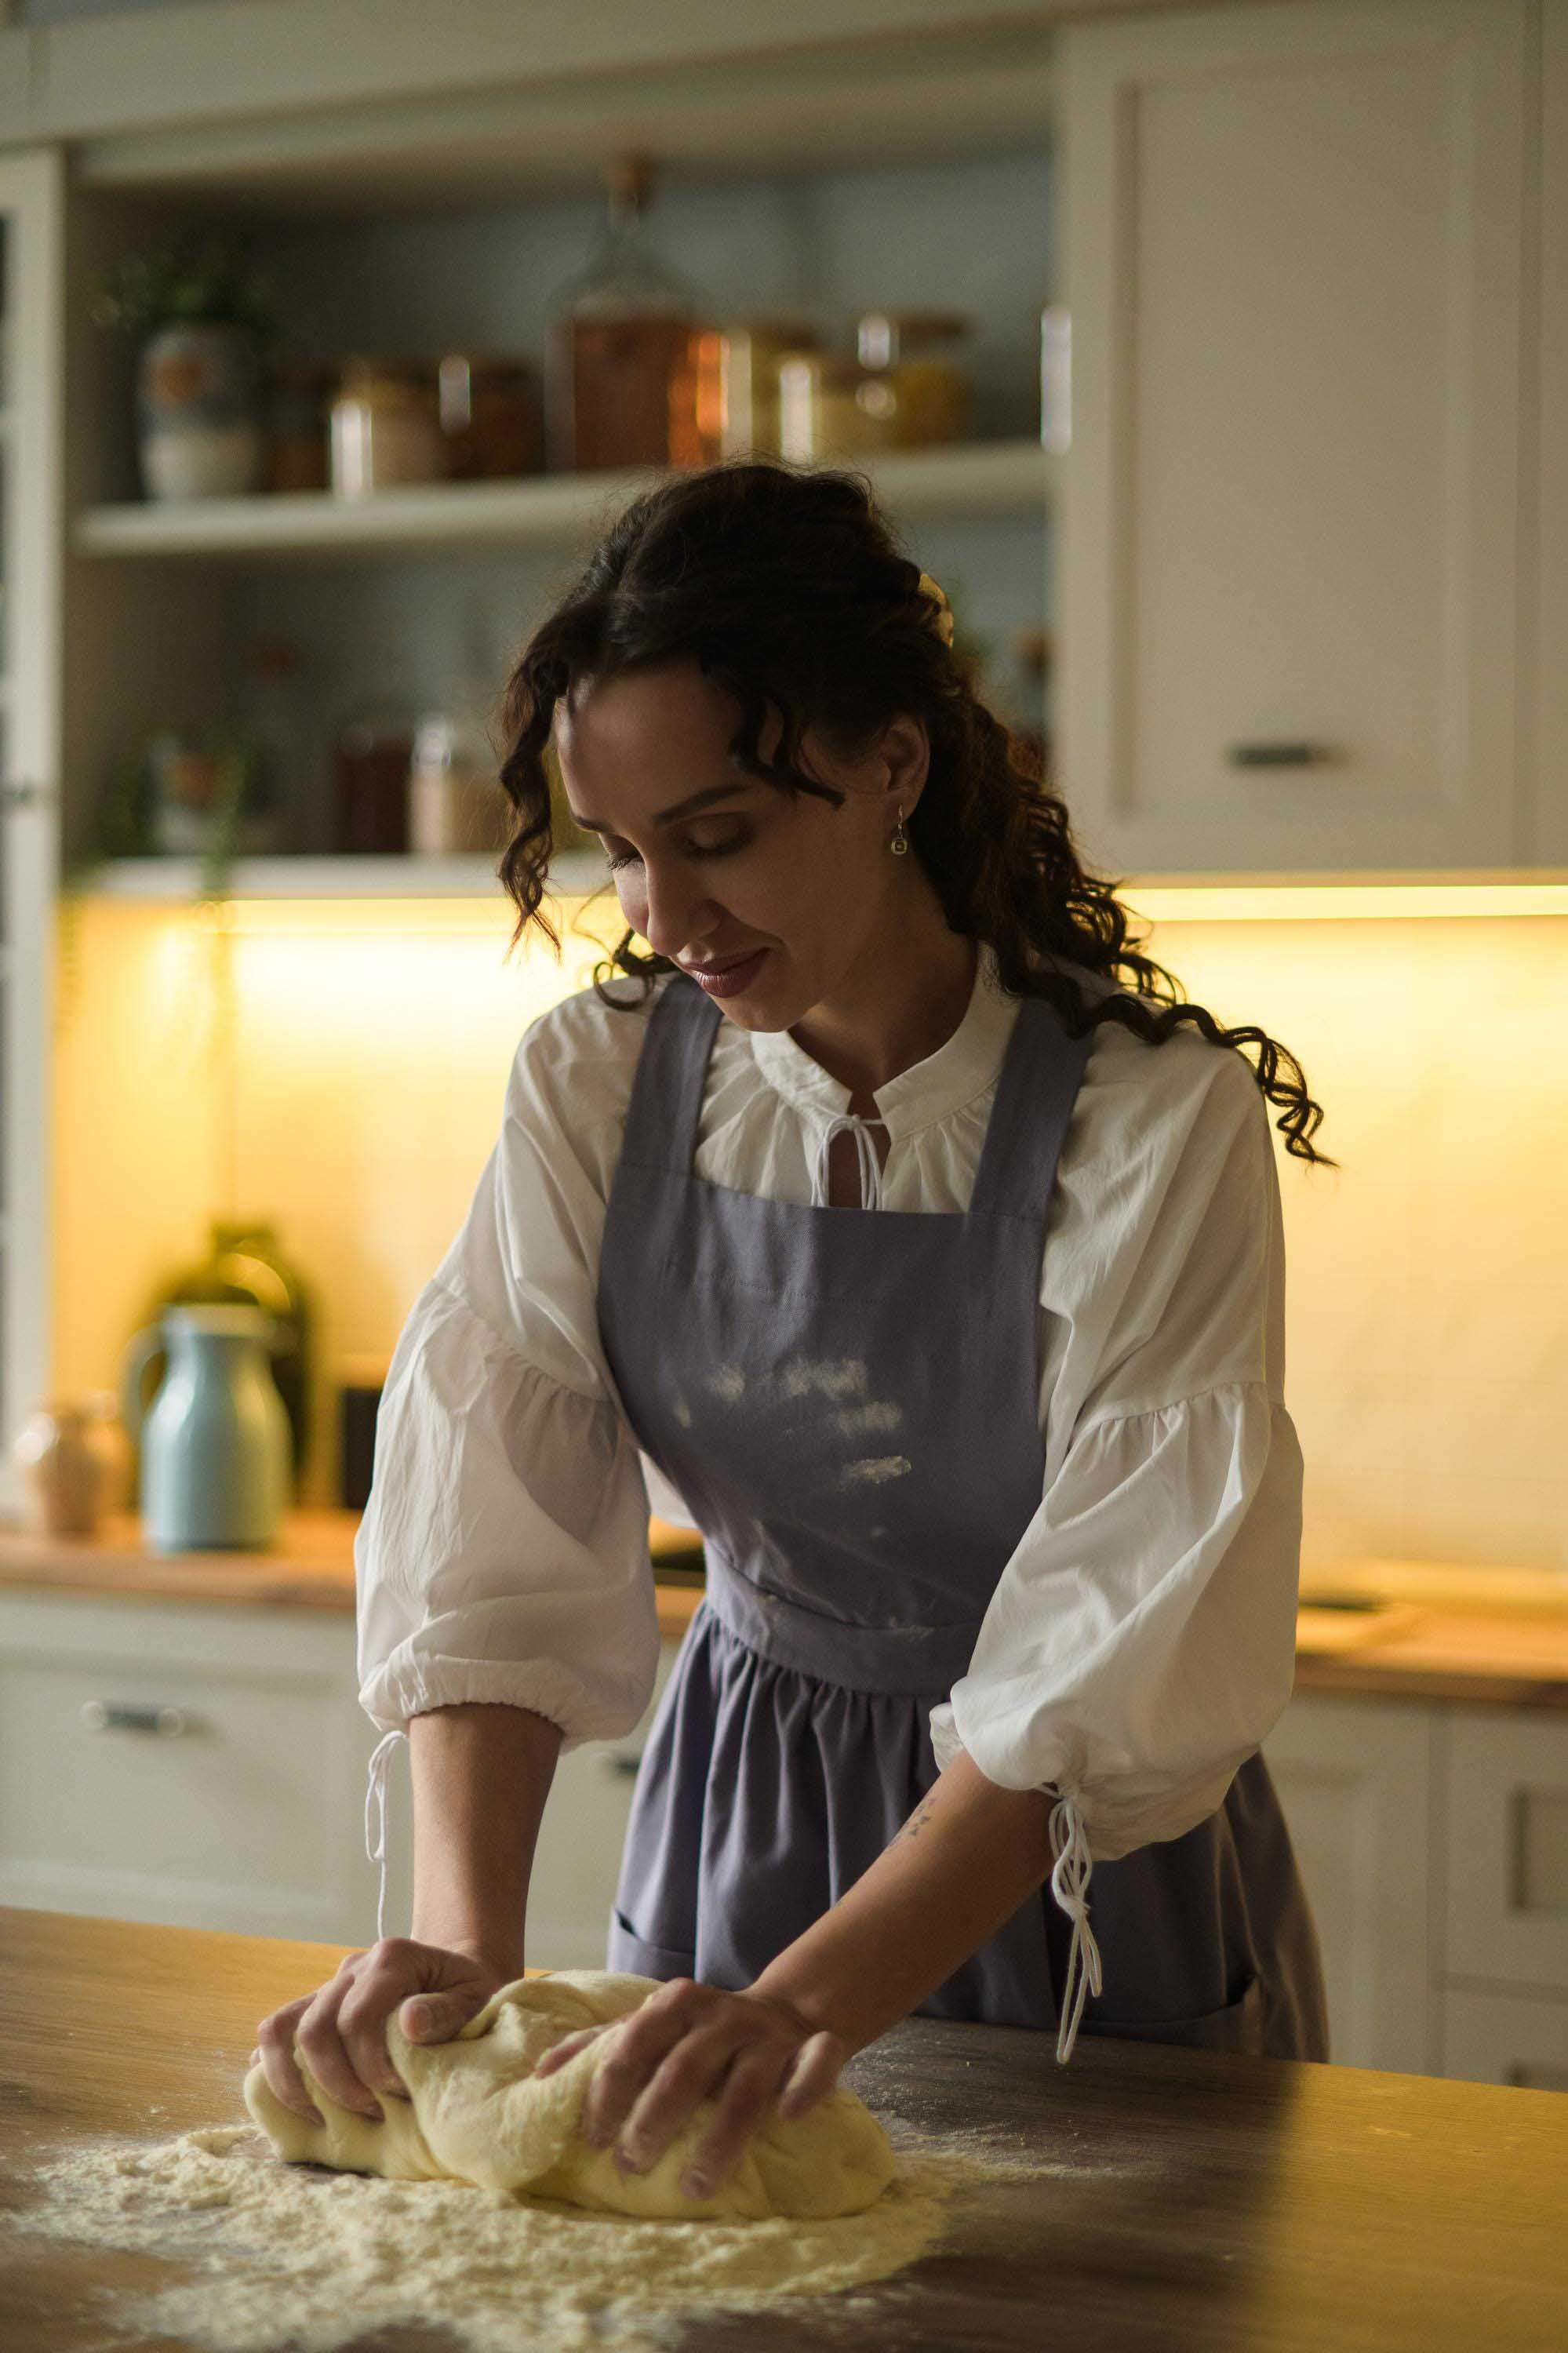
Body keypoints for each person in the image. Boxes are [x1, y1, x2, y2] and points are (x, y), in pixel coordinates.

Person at [253, 457, 1333, 2208]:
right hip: (733, 1813)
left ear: (891, 762)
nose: (661, 921)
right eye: (617, 851)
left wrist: (805, 2007)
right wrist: (456, 1953)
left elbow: (1102, 1652)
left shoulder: (1149, 1124)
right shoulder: (597, 1085)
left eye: (719, 834)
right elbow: (490, 1538)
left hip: (1058, 1872)